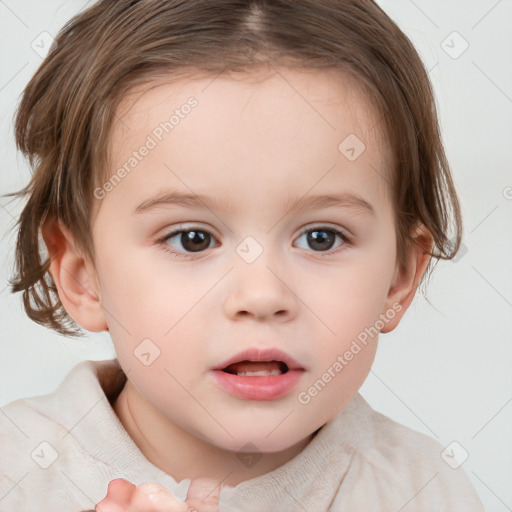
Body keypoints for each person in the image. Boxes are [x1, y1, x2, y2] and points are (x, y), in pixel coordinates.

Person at [0, 0, 486, 511]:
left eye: (321, 237)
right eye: (192, 239)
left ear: (399, 278)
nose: (261, 296)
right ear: (83, 277)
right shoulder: (17, 474)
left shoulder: (423, 490)